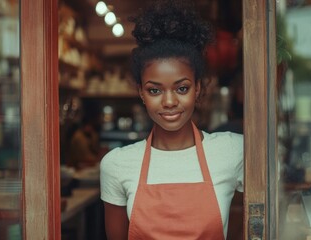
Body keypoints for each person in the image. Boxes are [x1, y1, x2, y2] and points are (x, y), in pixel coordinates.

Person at [100, 1, 244, 239]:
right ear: (141, 93)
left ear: (197, 88)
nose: (168, 102)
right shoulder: (116, 165)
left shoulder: (232, 150)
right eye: (155, 90)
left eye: (182, 88)